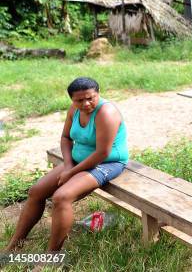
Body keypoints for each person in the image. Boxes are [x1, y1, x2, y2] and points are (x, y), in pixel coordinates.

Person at [5, 77, 128, 252]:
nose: (85, 103)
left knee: (61, 197)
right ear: (72, 100)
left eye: (90, 98)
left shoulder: (106, 113)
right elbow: (65, 138)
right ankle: (15, 244)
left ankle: (51, 256)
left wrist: (70, 173)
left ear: (98, 94)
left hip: (108, 162)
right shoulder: (74, 110)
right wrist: (68, 165)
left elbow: (102, 153)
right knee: (36, 191)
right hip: (78, 161)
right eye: (79, 100)